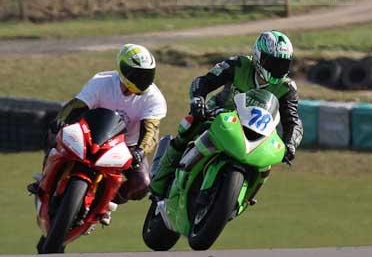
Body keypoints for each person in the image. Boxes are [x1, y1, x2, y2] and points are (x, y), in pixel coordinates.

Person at [150, 30, 303, 202]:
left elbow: (293, 120)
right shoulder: (238, 64)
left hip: (257, 131)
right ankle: (159, 181)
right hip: (219, 114)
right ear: (259, 56)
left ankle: (246, 196)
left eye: (283, 64)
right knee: (188, 126)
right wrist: (198, 99)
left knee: (267, 162)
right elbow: (204, 81)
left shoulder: (287, 88)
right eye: (273, 62)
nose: (277, 69)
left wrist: (291, 144)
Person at [30, 43, 167, 224]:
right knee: (55, 133)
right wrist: (61, 120)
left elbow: (151, 131)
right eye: (138, 74)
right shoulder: (102, 81)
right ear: (123, 69)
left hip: (128, 147)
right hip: (91, 135)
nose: (143, 79)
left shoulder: (154, 98)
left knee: (142, 184)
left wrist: (141, 152)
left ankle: (105, 205)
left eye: (148, 74)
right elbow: (77, 105)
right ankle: (44, 180)